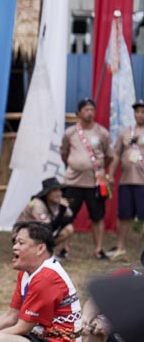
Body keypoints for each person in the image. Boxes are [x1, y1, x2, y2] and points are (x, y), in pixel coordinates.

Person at [60, 97, 113, 260]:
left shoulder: (102, 132)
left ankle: (98, 249)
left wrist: (100, 170)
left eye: (92, 110)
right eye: (86, 110)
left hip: (94, 183)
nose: (89, 113)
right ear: (78, 113)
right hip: (73, 182)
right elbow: (64, 153)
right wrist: (76, 164)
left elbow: (109, 156)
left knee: (97, 216)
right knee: (67, 215)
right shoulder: (70, 133)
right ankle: (65, 248)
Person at [107, 98, 144, 260]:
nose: (140, 114)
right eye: (137, 111)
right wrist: (110, 175)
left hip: (143, 181)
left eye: (143, 112)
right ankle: (120, 246)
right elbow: (116, 155)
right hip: (126, 180)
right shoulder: (125, 132)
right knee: (124, 215)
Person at [15, 177, 74, 258]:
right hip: (23, 233)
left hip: (37, 231)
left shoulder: (57, 202)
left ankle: (46, 252)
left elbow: (70, 218)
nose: (59, 193)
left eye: (59, 190)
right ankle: (39, 253)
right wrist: (62, 211)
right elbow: (48, 227)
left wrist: (62, 210)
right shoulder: (37, 204)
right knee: (45, 232)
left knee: (69, 229)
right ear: (47, 193)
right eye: (54, 190)